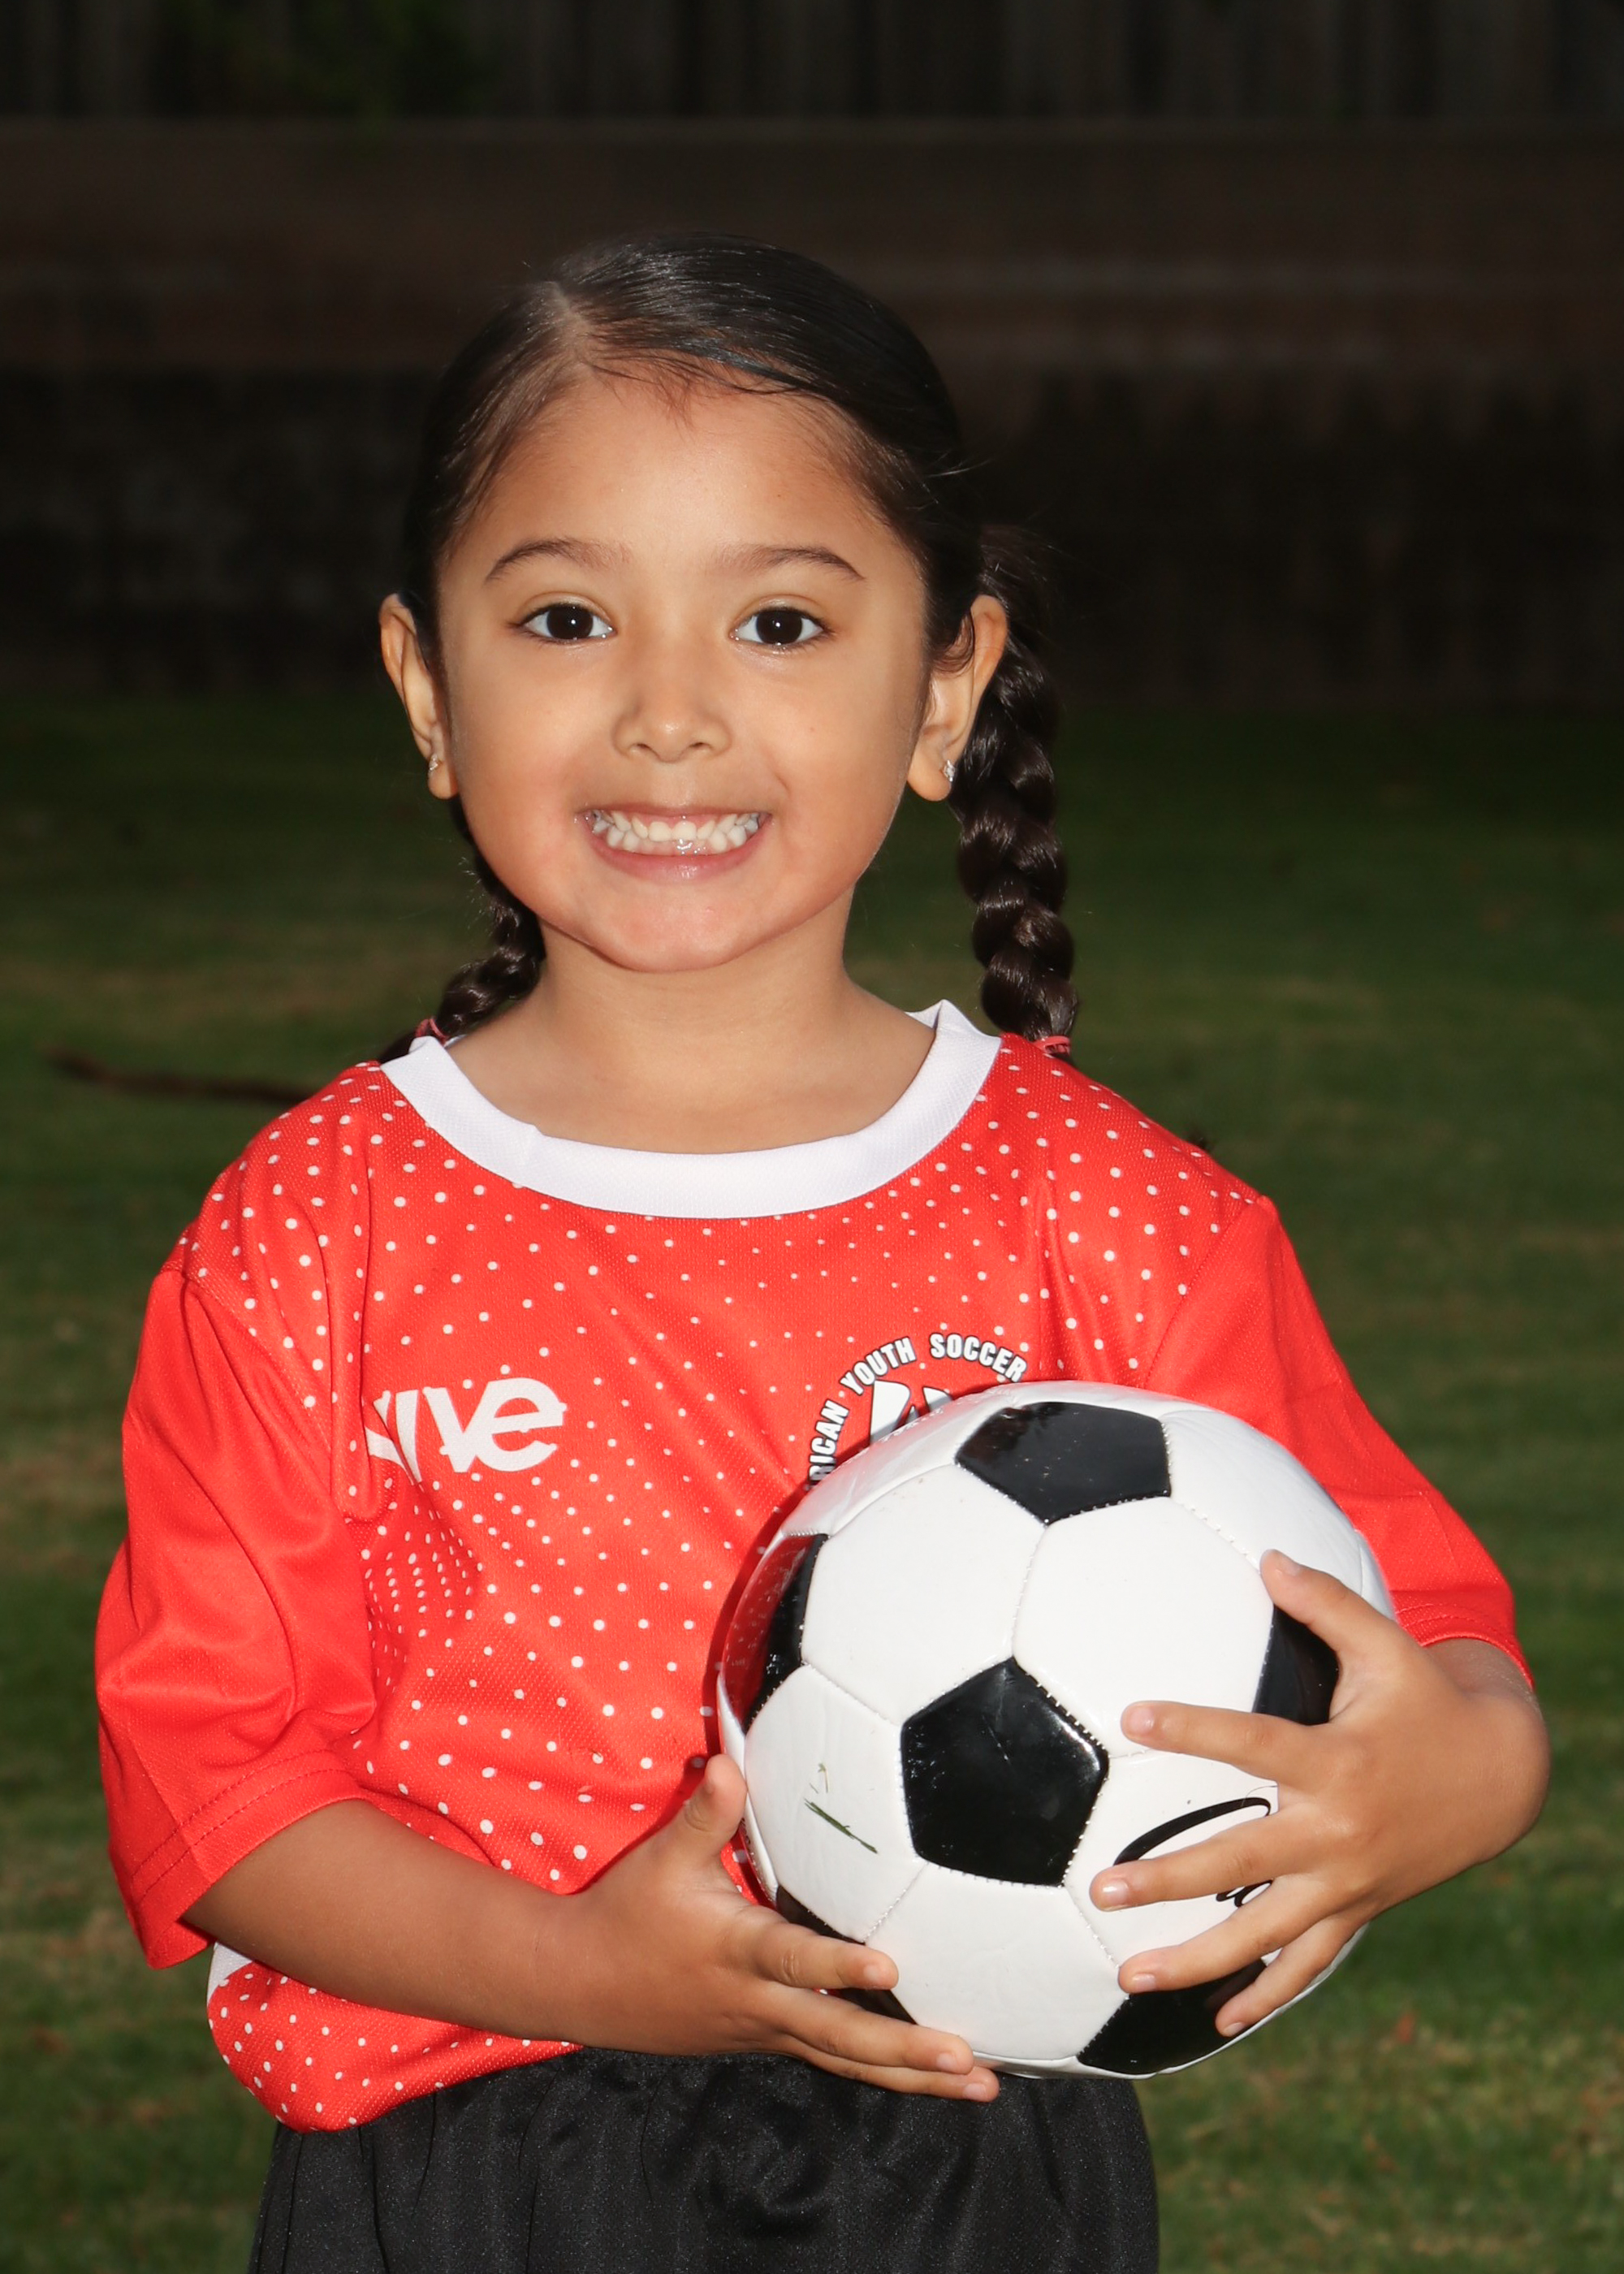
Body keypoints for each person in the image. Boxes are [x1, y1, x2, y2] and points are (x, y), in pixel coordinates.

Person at [96, 237, 1548, 2274]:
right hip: (472, 2170)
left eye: (778, 620)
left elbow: (1436, 1643)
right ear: (428, 688)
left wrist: (1452, 1781)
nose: (670, 714)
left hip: (967, 2166)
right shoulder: (316, 1226)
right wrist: (586, 1966)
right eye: (568, 617)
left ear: (943, 686)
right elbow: (220, 1787)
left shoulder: (1111, 1211)